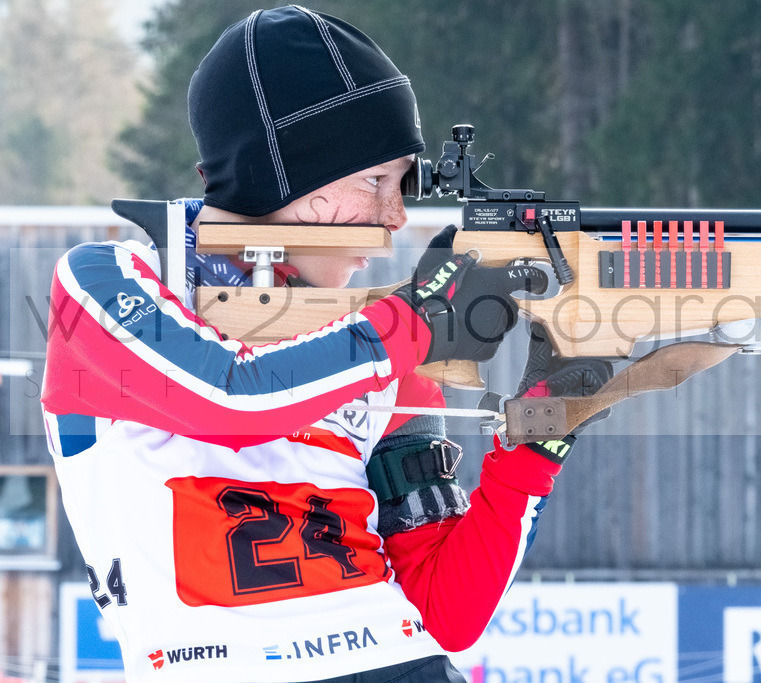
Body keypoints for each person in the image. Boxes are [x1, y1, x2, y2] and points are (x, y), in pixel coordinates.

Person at [41, 6, 611, 683]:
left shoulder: (384, 339)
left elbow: (444, 614)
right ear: (290, 181)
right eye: (376, 181)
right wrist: (414, 324)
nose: (397, 215)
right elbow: (227, 395)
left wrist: (540, 434)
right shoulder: (107, 281)